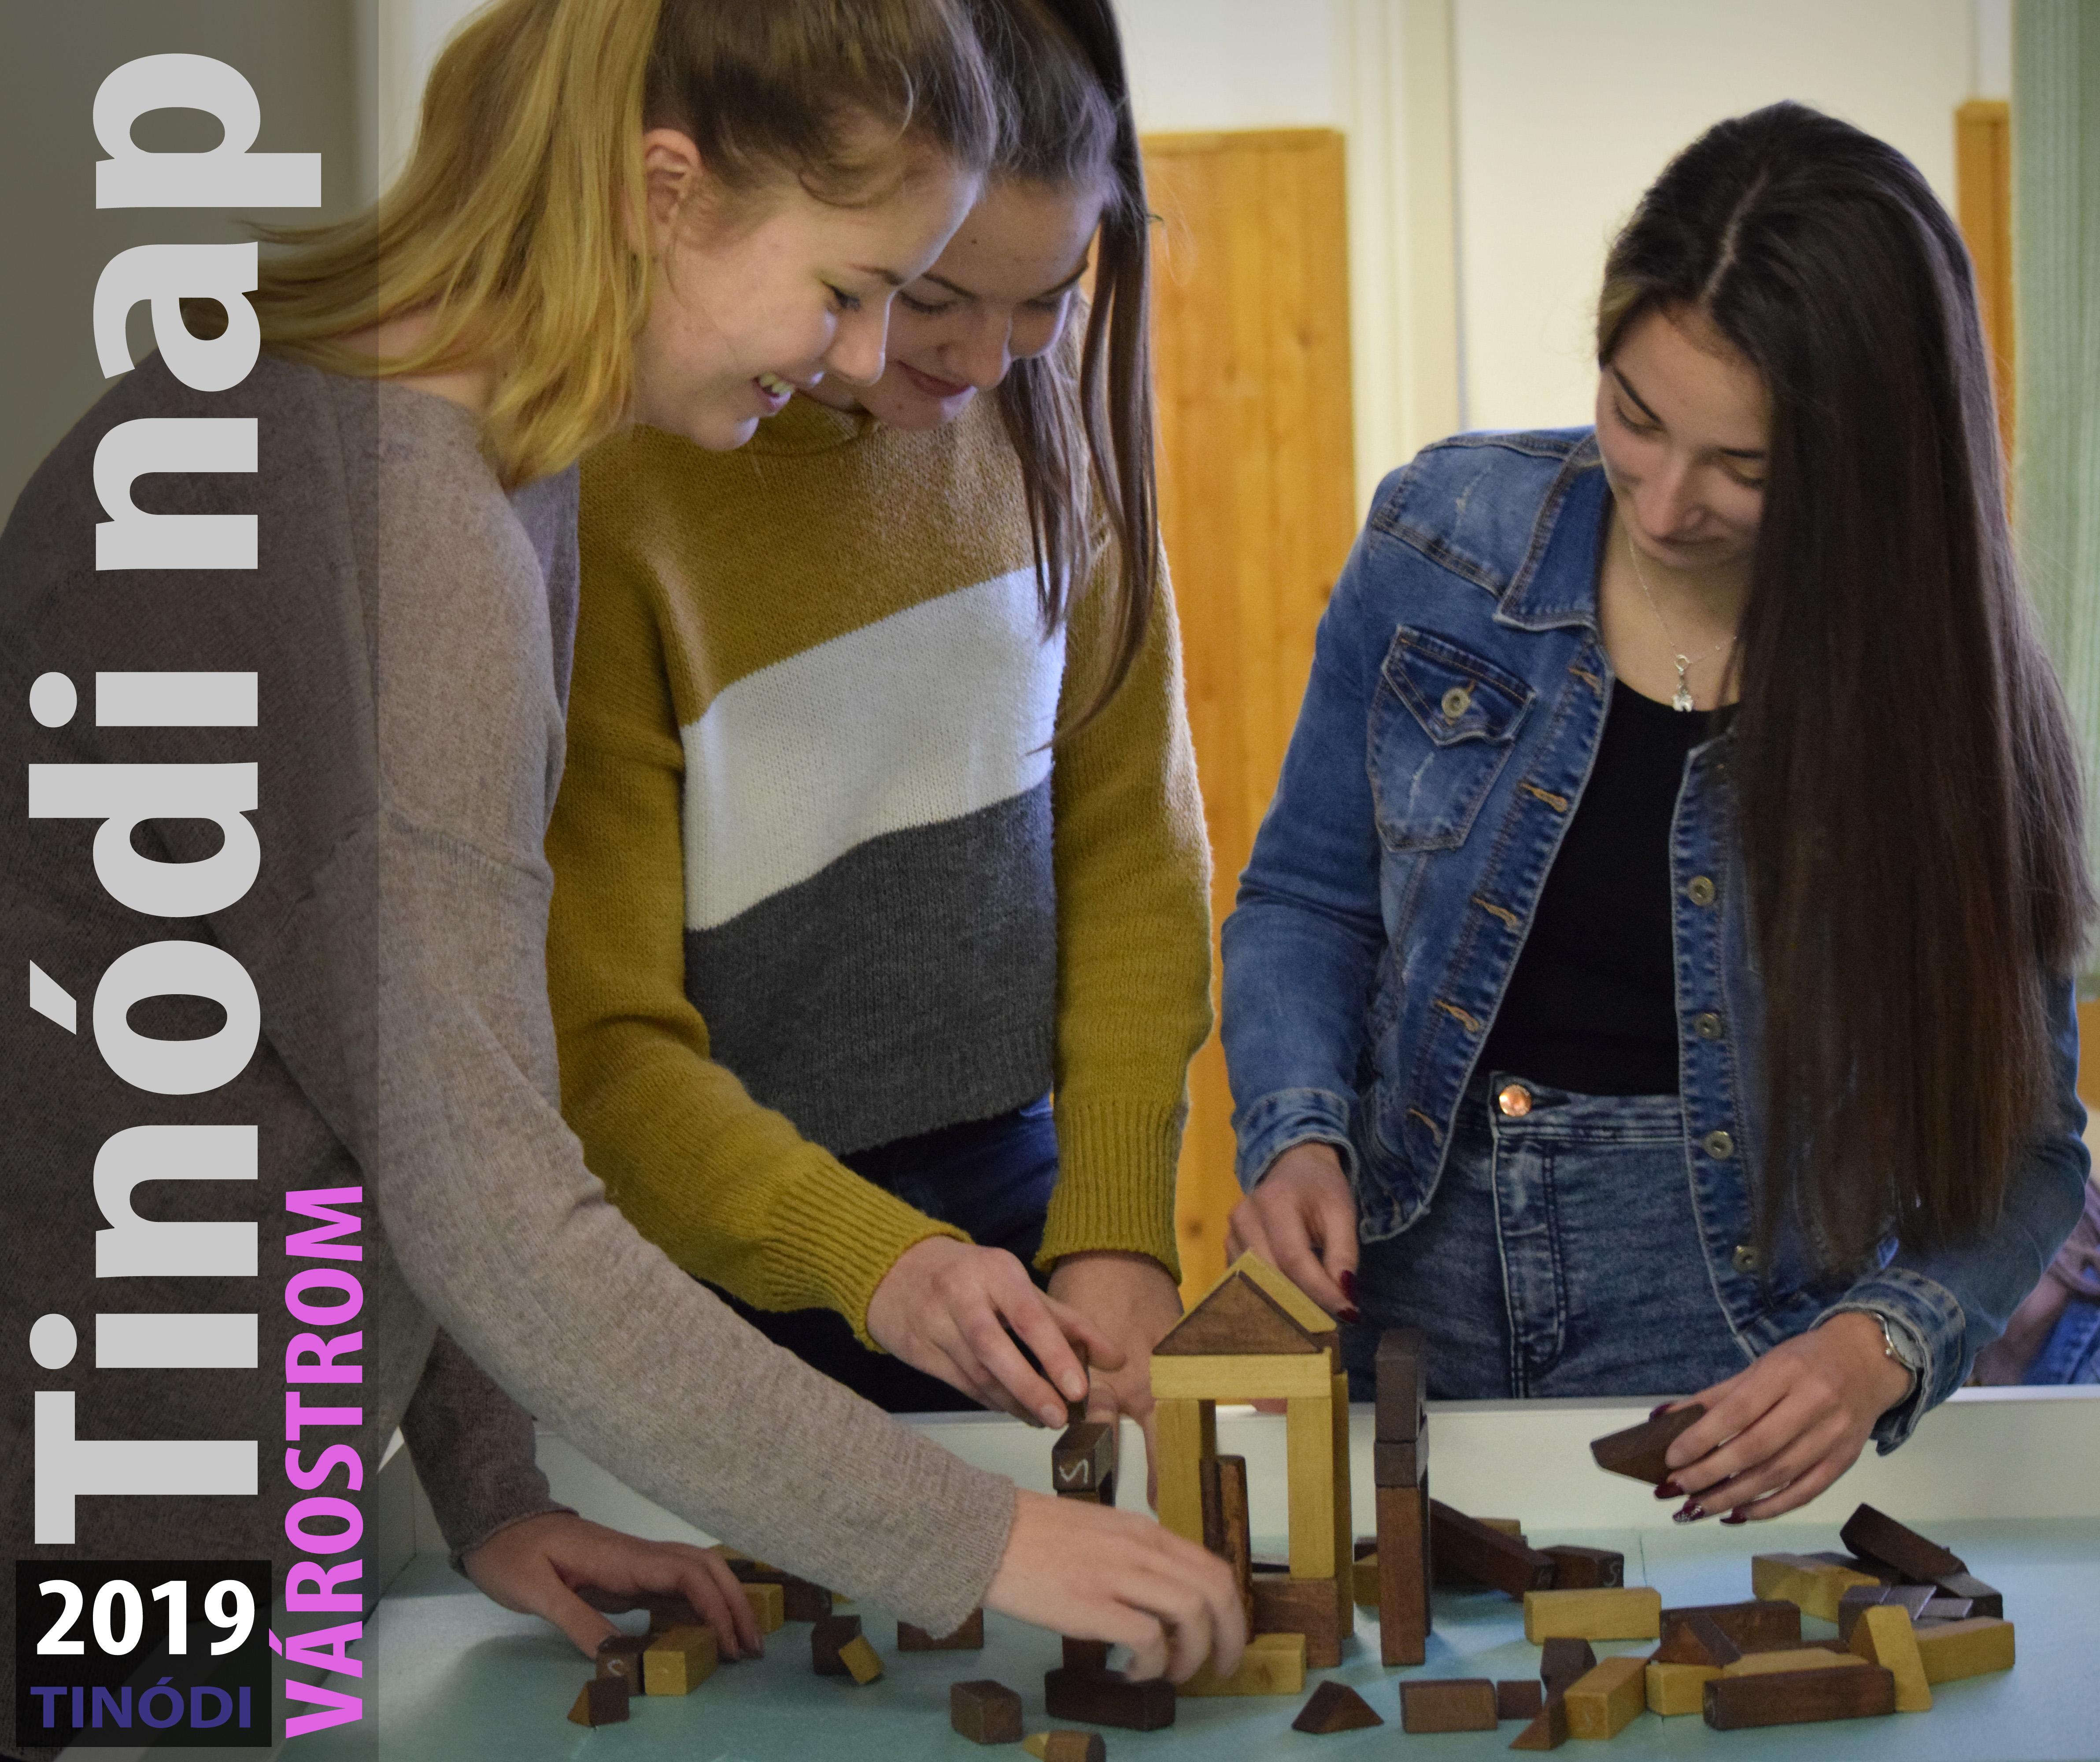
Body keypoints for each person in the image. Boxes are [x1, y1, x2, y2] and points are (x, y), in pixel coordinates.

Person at [0, 0, 1239, 1725]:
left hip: (245, 1480)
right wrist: (987, 1537)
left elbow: (383, 1075)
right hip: (129, 1530)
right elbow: (504, 1215)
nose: (864, 358)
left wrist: (489, 1489)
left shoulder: (463, 452)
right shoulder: (405, 546)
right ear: (670, 193)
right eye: (849, 289)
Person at [1219, 101, 2092, 1525]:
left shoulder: (1943, 701)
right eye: (1635, 416)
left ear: (1869, 464)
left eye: (1745, 469)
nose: (1668, 503)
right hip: (1402, 1309)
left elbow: (2034, 1155)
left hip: (1740, 1372)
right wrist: (1294, 1133)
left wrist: (1875, 1351)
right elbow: (1304, 903)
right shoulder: (1444, 538)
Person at [545, 0, 1205, 1465]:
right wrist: (872, 1258)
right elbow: (602, 1047)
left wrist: (1114, 1230)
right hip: (718, 1238)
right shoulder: (623, 485)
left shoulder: (1052, 422)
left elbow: (1132, 856)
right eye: (932, 294)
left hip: (1013, 1201)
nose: (990, 358)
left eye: (1047, 299)